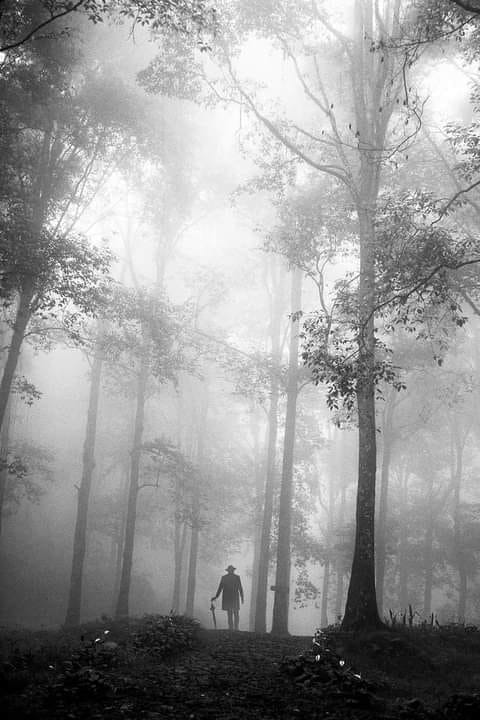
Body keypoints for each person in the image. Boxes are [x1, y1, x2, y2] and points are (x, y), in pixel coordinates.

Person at [211, 565, 244, 631]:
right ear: (229, 570)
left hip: (230, 597)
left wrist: (242, 597)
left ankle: (234, 627)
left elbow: (240, 588)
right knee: (233, 612)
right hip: (232, 597)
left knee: (234, 612)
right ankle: (233, 627)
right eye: (230, 570)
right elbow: (220, 588)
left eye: (231, 570)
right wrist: (216, 596)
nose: (231, 571)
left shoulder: (226, 578)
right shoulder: (235, 577)